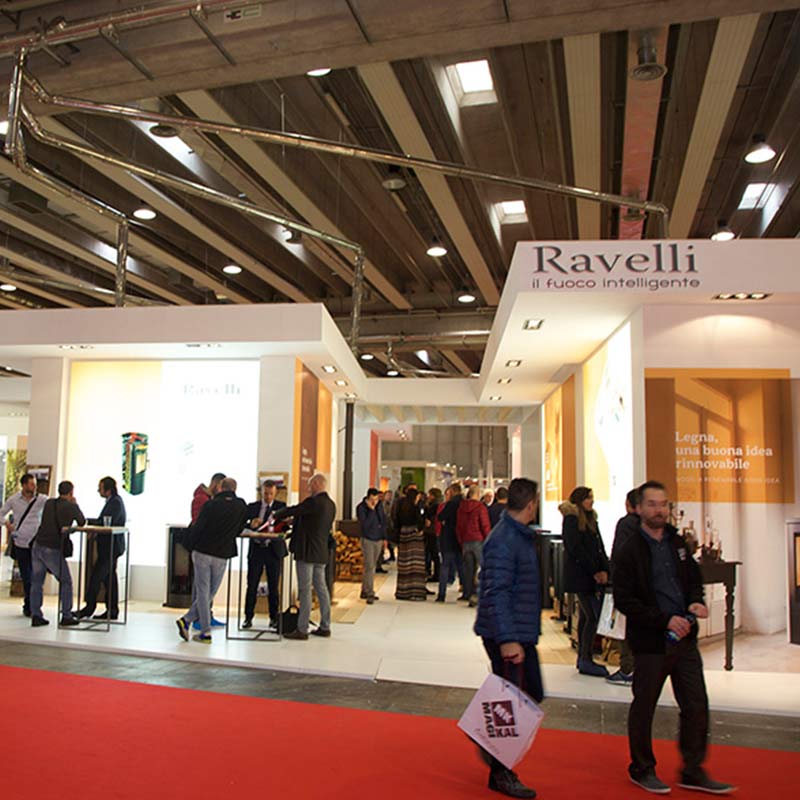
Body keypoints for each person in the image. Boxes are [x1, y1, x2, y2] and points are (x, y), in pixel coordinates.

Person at [613, 481, 735, 795]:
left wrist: (695, 602)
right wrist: (664, 619)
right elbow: (625, 600)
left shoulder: (677, 543)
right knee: (645, 706)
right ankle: (642, 768)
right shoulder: (629, 550)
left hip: (685, 641)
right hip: (651, 643)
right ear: (639, 508)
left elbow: (693, 580)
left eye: (663, 504)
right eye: (652, 504)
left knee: (696, 704)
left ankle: (692, 769)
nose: (659, 510)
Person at [473, 478, 542, 799]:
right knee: (510, 706)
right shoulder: (504, 540)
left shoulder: (517, 536)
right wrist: (508, 639)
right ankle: (501, 771)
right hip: (508, 633)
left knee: (529, 694)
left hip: (518, 630)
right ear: (531, 504)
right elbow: (496, 592)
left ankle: (483, 734)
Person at [176, 477, 247, 643]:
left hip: (202, 552)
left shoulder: (210, 505)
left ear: (221, 487)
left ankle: (195, 626)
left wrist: (190, 546)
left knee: (203, 592)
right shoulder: (240, 505)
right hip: (222, 555)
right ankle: (197, 627)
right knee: (210, 593)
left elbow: (198, 527)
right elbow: (239, 528)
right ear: (235, 489)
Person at [275, 473, 336, 641]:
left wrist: (277, 514)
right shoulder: (330, 504)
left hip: (307, 551)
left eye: (310, 485)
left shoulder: (313, 502)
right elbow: (313, 521)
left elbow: (296, 509)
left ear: (316, 483)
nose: (309, 488)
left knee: (305, 590)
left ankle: (302, 629)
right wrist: (295, 522)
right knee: (322, 588)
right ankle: (325, 626)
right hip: (321, 552)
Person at [560, 486, 610, 677]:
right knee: (592, 615)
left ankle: (584, 657)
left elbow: (599, 546)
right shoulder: (572, 520)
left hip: (590, 575)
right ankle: (585, 658)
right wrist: (594, 570)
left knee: (586, 615)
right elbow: (575, 548)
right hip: (581, 576)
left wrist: (604, 568)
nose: (591, 501)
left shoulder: (590, 519)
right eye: (588, 497)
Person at [29, 480, 85, 628]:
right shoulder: (71, 506)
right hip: (52, 548)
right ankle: (66, 615)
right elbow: (82, 521)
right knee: (66, 581)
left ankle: (36, 615)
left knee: (37, 582)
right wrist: (75, 504)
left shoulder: (49, 503)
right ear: (71, 492)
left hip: (37, 545)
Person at [77, 476, 127, 621]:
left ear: (107, 489)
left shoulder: (115, 503)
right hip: (111, 547)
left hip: (110, 547)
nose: (98, 490)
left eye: (100, 488)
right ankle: (112, 610)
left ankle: (89, 608)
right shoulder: (114, 501)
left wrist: (88, 522)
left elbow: (105, 522)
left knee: (96, 577)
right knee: (109, 579)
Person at [606, 487, 641, 686]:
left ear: (628, 504)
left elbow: (619, 553)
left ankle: (627, 669)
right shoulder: (648, 525)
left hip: (627, 584)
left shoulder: (626, 524)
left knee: (624, 627)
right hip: (644, 586)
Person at [0, 472, 48, 617]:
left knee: (36, 576)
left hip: (36, 542)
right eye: (32, 484)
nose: (34, 487)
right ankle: (29, 605)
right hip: (20, 542)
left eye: (35, 484)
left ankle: (32, 606)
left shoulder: (41, 499)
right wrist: (7, 524)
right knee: (26, 576)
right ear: (24, 485)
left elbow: (53, 505)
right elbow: (1, 513)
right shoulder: (14, 500)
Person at [243, 479, 287, 629]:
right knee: (252, 585)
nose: (268, 496)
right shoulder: (253, 507)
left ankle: (274, 618)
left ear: (275, 493)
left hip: (272, 550)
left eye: (270, 494)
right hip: (256, 550)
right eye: (265, 493)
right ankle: (248, 617)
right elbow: (242, 523)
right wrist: (251, 524)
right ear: (261, 492)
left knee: (273, 586)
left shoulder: (281, 507)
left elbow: (285, 527)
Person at [190, 472, 226, 628]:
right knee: (201, 588)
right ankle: (198, 619)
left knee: (207, 587)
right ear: (217, 485)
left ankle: (206, 616)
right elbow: (199, 523)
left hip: (210, 548)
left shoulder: (211, 500)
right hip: (202, 547)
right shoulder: (201, 500)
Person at [456, 484, 491, 607]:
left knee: (468, 570)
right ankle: (479, 594)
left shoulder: (461, 508)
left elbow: (459, 526)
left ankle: (467, 593)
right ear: (478, 494)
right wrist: (488, 539)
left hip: (466, 541)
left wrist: (461, 540)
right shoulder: (481, 507)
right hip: (478, 540)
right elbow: (484, 525)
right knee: (483, 568)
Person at [394, 486, 427, 601]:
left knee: (404, 563)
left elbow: (396, 520)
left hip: (403, 534)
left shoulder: (401, 506)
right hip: (414, 535)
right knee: (415, 563)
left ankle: (403, 590)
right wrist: (422, 527)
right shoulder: (415, 507)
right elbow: (419, 521)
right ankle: (415, 590)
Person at [357, 487, 386, 604]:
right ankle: (370, 592)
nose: (375, 502)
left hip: (378, 539)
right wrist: (371, 510)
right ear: (368, 498)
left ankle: (364, 590)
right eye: (373, 499)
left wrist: (384, 537)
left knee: (372, 565)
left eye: (377, 499)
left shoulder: (380, 506)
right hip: (367, 539)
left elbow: (383, 521)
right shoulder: (361, 508)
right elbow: (365, 525)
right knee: (369, 565)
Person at [436, 482, 463, 602]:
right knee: (461, 566)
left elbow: (440, 517)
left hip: (448, 538)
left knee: (445, 565)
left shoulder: (451, 504)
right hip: (460, 538)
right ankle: (466, 591)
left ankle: (441, 594)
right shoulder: (464, 503)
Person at [424, 487, 443, 582]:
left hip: (432, 531)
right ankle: (436, 573)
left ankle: (436, 574)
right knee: (434, 553)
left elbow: (429, 516)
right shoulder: (439, 504)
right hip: (435, 531)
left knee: (433, 553)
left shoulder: (434, 506)